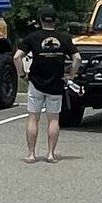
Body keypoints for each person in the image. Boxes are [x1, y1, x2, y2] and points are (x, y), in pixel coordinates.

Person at [20, 16, 73, 163]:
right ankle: (50, 154)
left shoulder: (32, 37)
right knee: (53, 119)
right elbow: (77, 58)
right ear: (55, 21)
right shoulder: (64, 38)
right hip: (56, 84)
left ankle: (31, 154)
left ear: (40, 20)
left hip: (36, 83)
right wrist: (71, 74)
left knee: (33, 117)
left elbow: (17, 57)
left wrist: (22, 74)